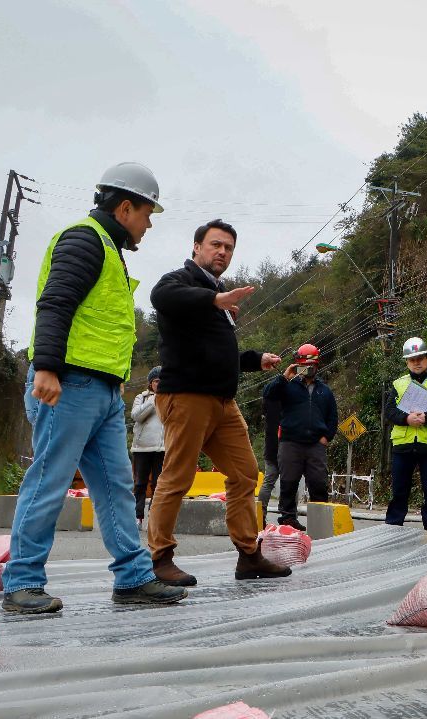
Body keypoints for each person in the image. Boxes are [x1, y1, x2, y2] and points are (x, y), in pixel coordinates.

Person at [3, 162, 185, 613]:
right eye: (147, 214)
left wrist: (112, 384)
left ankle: (134, 577)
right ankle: (22, 582)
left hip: (101, 390)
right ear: (125, 207)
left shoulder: (109, 248)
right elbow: (56, 300)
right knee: (49, 481)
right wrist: (45, 367)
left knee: (116, 486)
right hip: (67, 383)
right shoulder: (85, 239)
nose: (147, 225)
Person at [148, 218, 291, 585]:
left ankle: (248, 556)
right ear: (196, 247)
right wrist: (214, 299)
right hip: (186, 397)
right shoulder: (179, 281)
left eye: (228, 247)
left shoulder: (219, 293)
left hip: (223, 403)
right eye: (215, 245)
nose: (222, 252)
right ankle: (159, 558)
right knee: (177, 477)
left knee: (245, 474)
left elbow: (215, 351)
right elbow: (160, 297)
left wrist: (254, 359)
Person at [263, 343, 339, 531]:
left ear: (317, 365)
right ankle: (288, 519)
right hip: (290, 443)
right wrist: (284, 377)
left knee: (318, 482)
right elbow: (268, 395)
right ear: (297, 365)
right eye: (303, 365)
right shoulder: (287, 386)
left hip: (315, 444)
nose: (307, 369)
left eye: (311, 366)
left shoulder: (325, 391)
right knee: (289, 481)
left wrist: (326, 437)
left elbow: (333, 417)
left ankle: (320, 520)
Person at [385, 336, 427, 534]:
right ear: (407, 362)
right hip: (403, 445)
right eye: (412, 359)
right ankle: (393, 527)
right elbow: (390, 411)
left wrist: (426, 417)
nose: (416, 363)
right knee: (399, 490)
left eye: (420, 358)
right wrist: (407, 419)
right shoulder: (398, 383)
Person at [131, 366, 165, 528]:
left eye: (162, 381)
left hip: (163, 448)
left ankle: (155, 515)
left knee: (159, 484)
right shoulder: (142, 397)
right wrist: (154, 400)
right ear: (151, 383)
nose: (159, 384)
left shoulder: (171, 397)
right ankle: (138, 516)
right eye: (156, 381)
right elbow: (136, 416)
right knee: (140, 483)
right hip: (142, 447)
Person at [257, 390, 282, 526]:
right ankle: (289, 516)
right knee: (290, 483)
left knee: (268, 482)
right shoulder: (288, 405)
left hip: (270, 449)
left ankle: (260, 515)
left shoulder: (267, 404)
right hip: (286, 449)